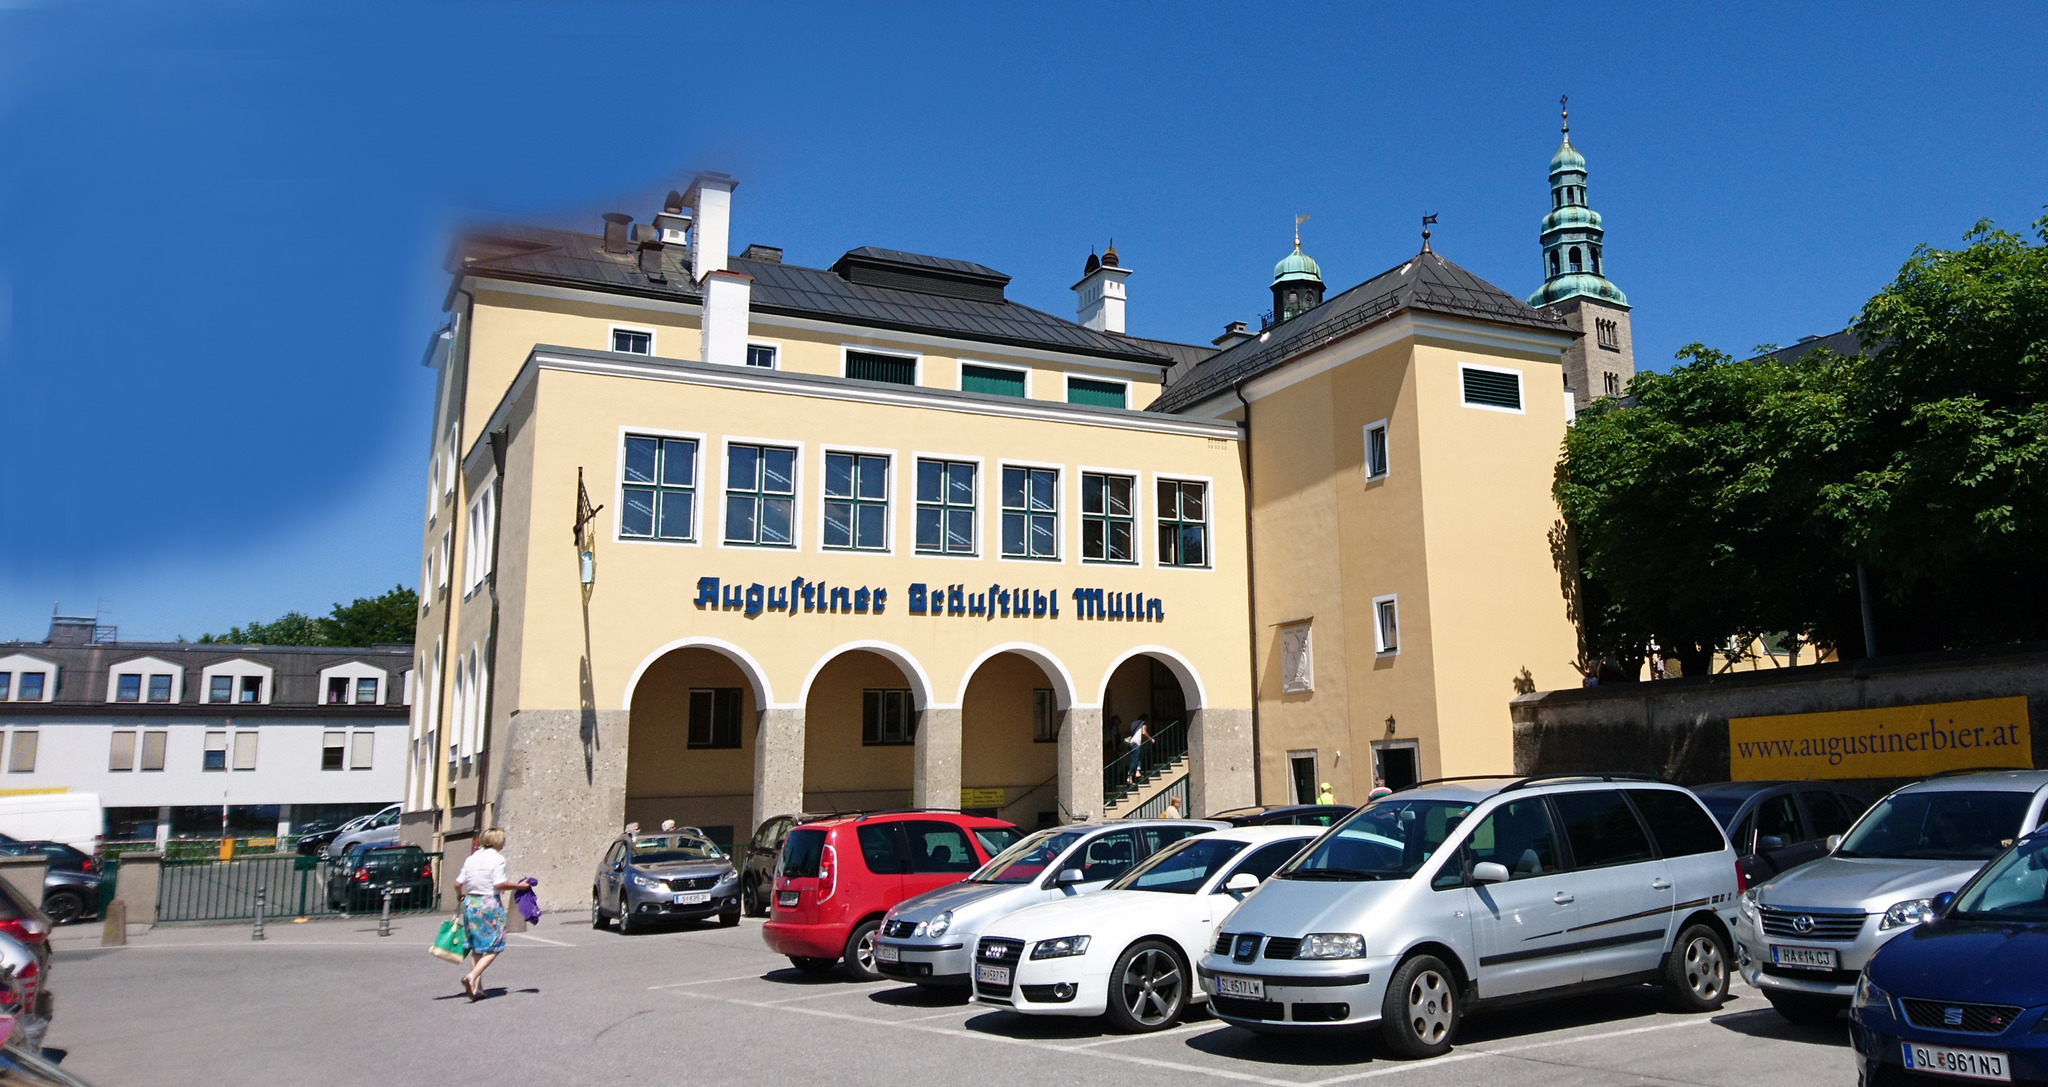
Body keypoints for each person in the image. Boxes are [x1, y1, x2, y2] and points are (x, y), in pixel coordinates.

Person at [453, 827, 525, 1001]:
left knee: (476, 946)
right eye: (503, 839)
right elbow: (499, 883)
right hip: (488, 903)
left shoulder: (471, 858)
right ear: (497, 841)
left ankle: (477, 988)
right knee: (496, 945)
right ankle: (471, 976)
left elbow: (457, 883)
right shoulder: (497, 859)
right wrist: (518, 886)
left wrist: (460, 896)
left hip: (471, 903)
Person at [1126, 716, 1150, 784]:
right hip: (1136, 744)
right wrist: (1151, 739)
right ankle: (1129, 777)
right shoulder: (1143, 724)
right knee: (1134, 761)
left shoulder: (1134, 723)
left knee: (1138, 758)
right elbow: (1144, 732)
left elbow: (1128, 731)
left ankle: (1138, 772)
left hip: (1131, 743)